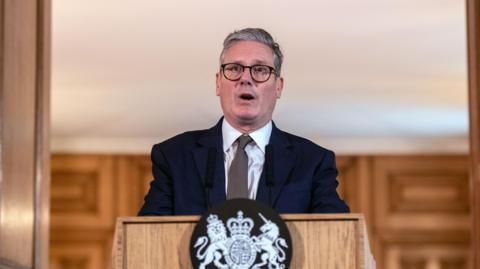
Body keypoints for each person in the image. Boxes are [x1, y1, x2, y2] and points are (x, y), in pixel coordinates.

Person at [138, 28, 349, 216]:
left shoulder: (313, 162)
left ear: (278, 87)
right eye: (234, 68)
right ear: (218, 83)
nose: (245, 78)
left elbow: (340, 236)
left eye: (260, 70)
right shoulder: (174, 156)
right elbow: (146, 240)